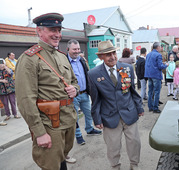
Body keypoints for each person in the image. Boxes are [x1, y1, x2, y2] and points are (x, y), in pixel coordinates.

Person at [15, 13, 79, 170]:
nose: (57, 34)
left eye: (58, 30)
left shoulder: (62, 56)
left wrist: (74, 90)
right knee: (51, 165)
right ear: (39, 31)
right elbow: (25, 100)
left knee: (61, 160)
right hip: (49, 125)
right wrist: (39, 132)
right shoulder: (30, 58)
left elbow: (74, 82)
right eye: (52, 30)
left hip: (68, 120)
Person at [88, 40, 144, 170]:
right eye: (108, 54)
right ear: (100, 57)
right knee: (113, 146)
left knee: (134, 142)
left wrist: (139, 107)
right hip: (109, 116)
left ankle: (134, 165)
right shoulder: (93, 74)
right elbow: (95, 99)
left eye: (113, 53)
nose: (112, 57)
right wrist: (97, 119)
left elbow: (133, 91)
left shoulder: (127, 68)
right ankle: (115, 166)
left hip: (129, 112)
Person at [67, 39, 102, 146]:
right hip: (73, 96)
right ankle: (78, 136)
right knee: (75, 117)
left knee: (89, 113)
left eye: (78, 49)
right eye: (74, 49)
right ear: (68, 49)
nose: (77, 51)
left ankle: (89, 129)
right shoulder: (64, 61)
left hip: (84, 93)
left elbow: (87, 74)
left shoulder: (81, 60)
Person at [144, 42, 168, 113]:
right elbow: (160, 66)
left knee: (150, 91)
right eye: (160, 46)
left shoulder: (148, 54)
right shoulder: (158, 55)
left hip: (149, 74)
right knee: (157, 92)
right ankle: (155, 108)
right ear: (157, 47)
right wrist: (166, 65)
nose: (161, 48)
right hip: (156, 75)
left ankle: (150, 107)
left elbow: (151, 64)